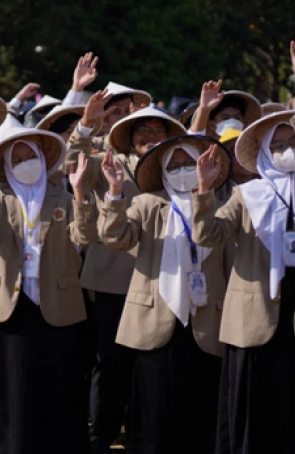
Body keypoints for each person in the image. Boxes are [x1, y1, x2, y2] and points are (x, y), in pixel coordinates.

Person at [192, 30, 295, 453]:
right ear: (263, 154)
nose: (286, 150)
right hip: (254, 326)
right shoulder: (250, 194)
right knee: (252, 428)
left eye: (292, 142)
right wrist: (205, 191)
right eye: (276, 144)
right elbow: (208, 234)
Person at [90, 135, 232, 454]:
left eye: (189, 164)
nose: (183, 171)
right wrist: (113, 192)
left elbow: (230, 266)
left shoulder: (221, 208)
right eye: (176, 165)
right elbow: (115, 238)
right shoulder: (148, 204)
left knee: (201, 412)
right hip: (155, 318)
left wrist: (204, 192)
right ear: (165, 172)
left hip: (207, 320)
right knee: (153, 413)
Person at [66, 94, 187, 454]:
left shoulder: (177, 167)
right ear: (130, 138)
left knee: (150, 367)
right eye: (142, 132)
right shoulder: (110, 163)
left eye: (157, 131)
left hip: (162, 280)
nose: (149, 137)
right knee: (112, 363)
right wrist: (86, 124)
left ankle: (142, 432)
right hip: (113, 280)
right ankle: (101, 435)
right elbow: (73, 167)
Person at [0, 119, 95, 453]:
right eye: (18, 159)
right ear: (7, 166)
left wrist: (79, 193)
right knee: (14, 382)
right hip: (12, 299)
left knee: (59, 380)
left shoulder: (60, 196)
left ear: (42, 157)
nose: (26, 164)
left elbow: (84, 237)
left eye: (31, 156)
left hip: (56, 298)